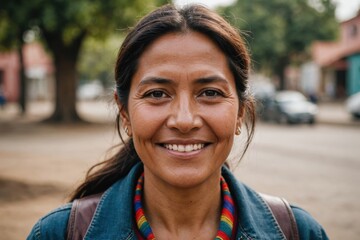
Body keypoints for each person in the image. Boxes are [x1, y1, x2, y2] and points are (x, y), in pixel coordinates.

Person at [27, 4, 328, 240]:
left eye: (210, 92)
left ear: (240, 112)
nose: (184, 120)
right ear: (124, 113)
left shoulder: (298, 233)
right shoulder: (57, 234)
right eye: (157, 93)